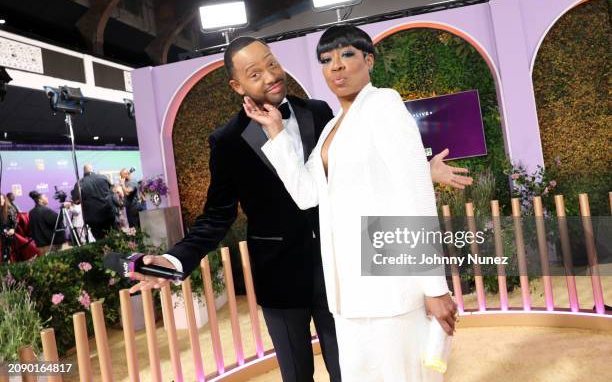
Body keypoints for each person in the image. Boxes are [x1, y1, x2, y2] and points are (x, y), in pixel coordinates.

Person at [129, 36, 470, 382]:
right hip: (281, 280)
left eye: (272, 63)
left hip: (343, 275)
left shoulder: (320, 112)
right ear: (237, 85)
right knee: (297, 376)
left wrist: (420, 170)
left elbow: (349, 171)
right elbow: (218, 215)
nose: (270, 76)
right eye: (255, 73)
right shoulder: (227, 140)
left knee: (353, 371)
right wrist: (174, 260)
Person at [243, 25, 459, 381]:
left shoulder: (384, 104)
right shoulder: (332, 128)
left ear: (368, 61)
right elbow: (306, 194)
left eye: (347, 55)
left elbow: (415, 196)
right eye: (326, 59)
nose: (336, 67)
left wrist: (435, 288)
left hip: (390, 285)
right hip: (347, 293)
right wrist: (276, 132)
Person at [71, 164, 116, 240]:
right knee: (113, 237)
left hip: (94, 218)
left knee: (100, 241)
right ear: (92, 170)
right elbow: (111, 190)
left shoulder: (80, 183)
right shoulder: (103, 177)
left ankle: (105, 251)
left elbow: (75, 200)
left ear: (84, 172)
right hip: (108, 213)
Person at [1, 193, 18, 262]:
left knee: (9, 255)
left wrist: (13, 229)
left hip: (9, 236)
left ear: (5, 199)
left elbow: (15, 223)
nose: (1, 201)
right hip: (2, 235)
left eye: (2, 199)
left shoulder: (9, 209)